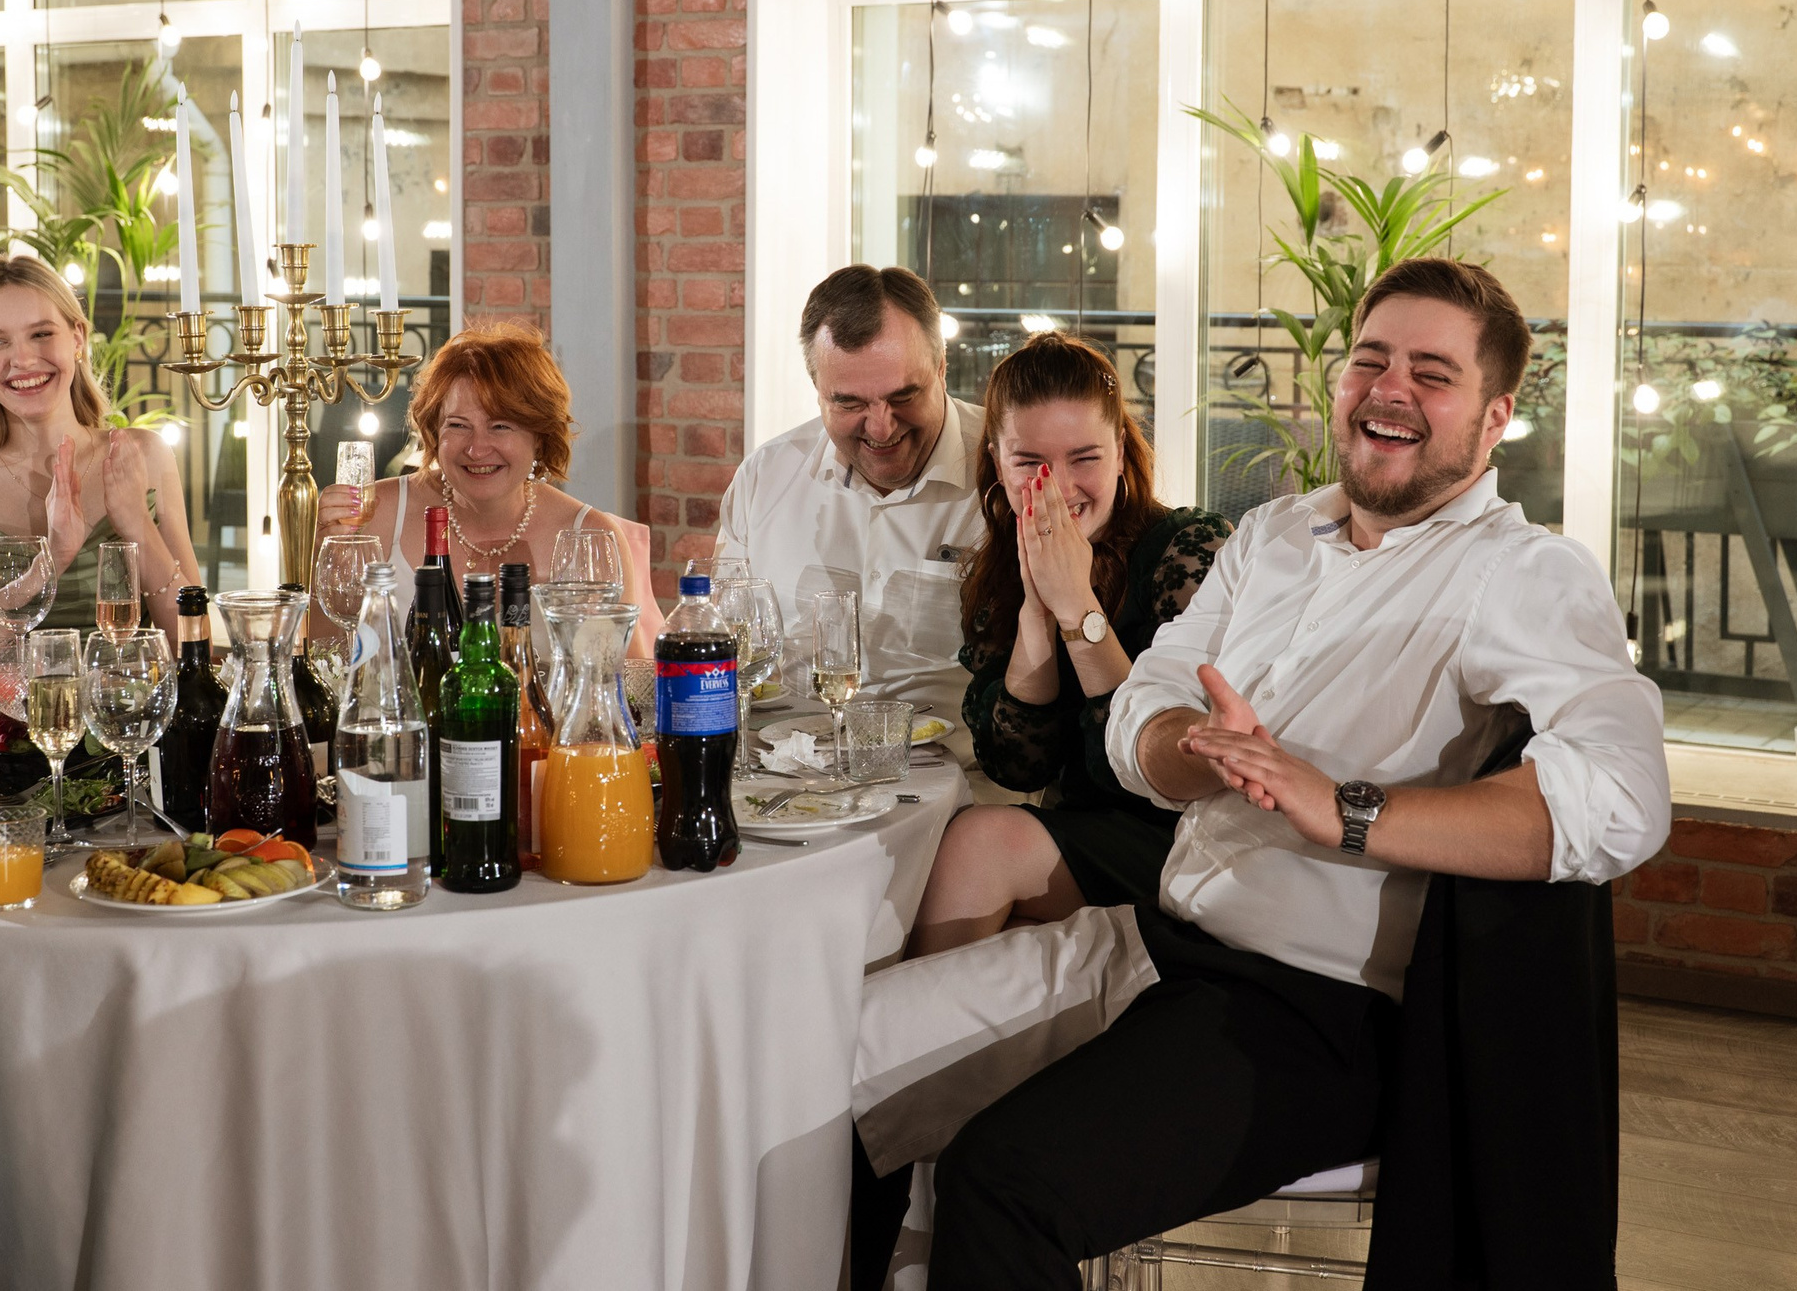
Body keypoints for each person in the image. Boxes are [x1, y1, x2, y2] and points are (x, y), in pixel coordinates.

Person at [918, 258, 1673, 1287]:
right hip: (1154, 938)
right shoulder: (1275, 533)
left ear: (1494, 418)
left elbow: (1622, 800)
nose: (1389, 387)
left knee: (1000, 1180)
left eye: (1431, 372)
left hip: (1309, 1007)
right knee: (813, 1078)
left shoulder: (1525, 571)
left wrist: (1343, 806)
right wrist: (1190, 749)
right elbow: (1142, 703)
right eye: (1370, 358)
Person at [908, 334, 1232, 955]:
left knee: (980, 843)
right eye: (1030, 462)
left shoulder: (1190, 548)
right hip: (1079, 831)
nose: (1058, 486)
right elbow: (1017, 766)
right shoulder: (997, 571)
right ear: (996, 464)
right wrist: (1036, 608)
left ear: (1119, 454)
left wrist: (1078, 608)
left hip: (1189, 832)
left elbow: (1162, 761)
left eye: (1085, 457)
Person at [0, 253, 204, 690]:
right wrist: (49, 563)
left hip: (125, 732)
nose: (23, 360)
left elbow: (192, 647)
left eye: (42, 334)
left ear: (78, 338)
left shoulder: (144, 453)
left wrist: (138, 524)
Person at [717, 265, 984, 739]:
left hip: (965, 790)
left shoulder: (1007, 472)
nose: (881, 427)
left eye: (904, 395)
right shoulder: (764, 478)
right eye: (849, 404)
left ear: (942, 368)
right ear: (817, 391)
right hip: (792, 783)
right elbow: (722, 647)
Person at [313, 321, 663, 648]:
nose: (476, 449)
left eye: (500, 426)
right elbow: (325, 653)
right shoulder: (379, 512)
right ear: (435, 431)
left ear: (539, 437)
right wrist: (328, 551)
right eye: (458, 425)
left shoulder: (588, 537)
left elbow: (625, 690)